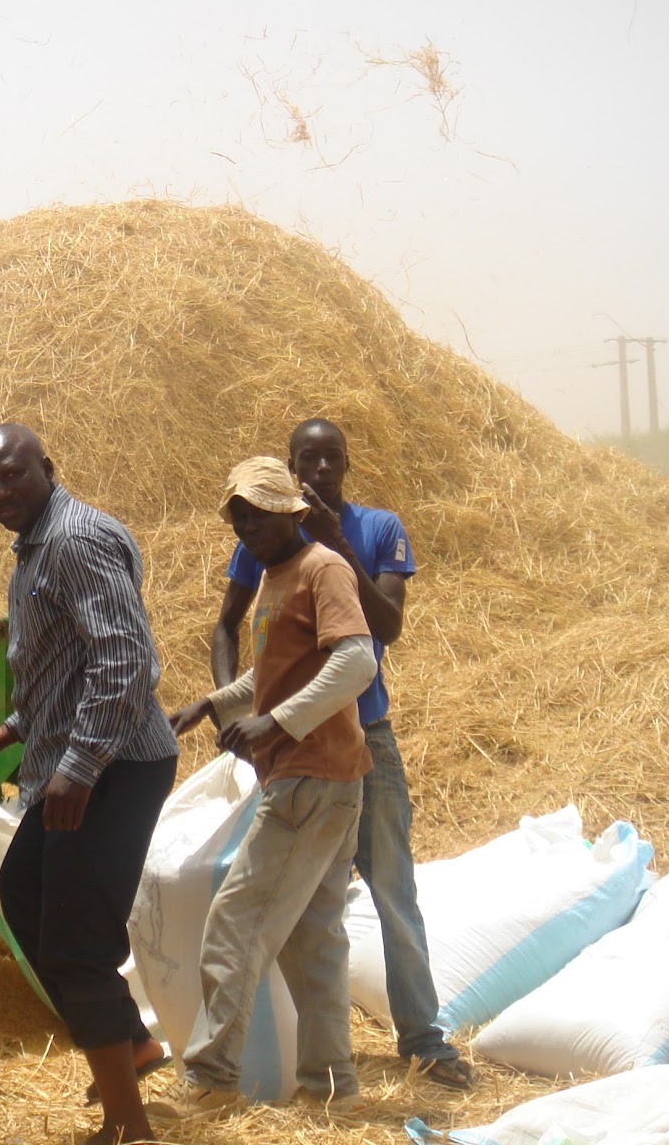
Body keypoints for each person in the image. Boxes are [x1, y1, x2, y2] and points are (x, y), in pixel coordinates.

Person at [210, 417, 472, 1090]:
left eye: (332, 459)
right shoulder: (268, 540)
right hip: (290, 746)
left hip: (363, 736)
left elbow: (383, 633)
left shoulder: (370, 533)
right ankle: (329, 1077)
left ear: (347, 465)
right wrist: (235, 710)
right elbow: (233, 627)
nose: (321, 470)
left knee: (391, 889)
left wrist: (335, 544)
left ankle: (423, 1038)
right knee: (316, 920)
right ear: (293, 471)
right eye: (308, 460)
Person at [0, 424, 178, 1145]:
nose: (1, 493)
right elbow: (64, 663)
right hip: (71, 761)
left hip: (112, 765)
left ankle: (127, 1127)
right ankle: (130, 1045)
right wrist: (10, 731)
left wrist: (78, 768)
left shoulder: (73, 541)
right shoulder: (39, 545)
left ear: (49, 467)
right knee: (28, 896)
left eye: (14, 475)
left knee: (76, 944)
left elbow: (122, 660)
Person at [163, 455, 376, 1122]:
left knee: (236, 922)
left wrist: (276, 722)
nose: (247, 525)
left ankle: (211, 1078)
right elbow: (275, 673)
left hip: (313, 776)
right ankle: (332, 1087)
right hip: (315, 776)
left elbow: (357, 662)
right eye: (238, 516)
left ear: (291, 511)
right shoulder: (273, 577)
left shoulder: (322, 569)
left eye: (257, 512)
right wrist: (211, 703)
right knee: (314, 938)